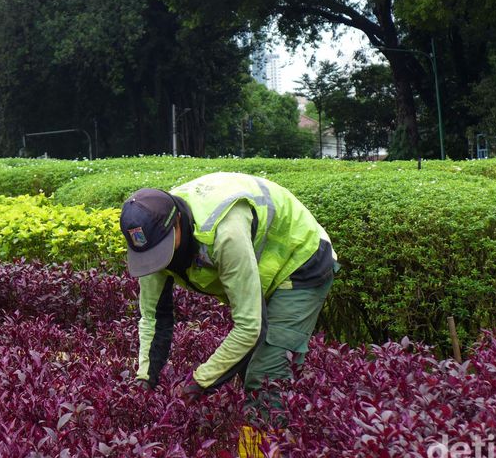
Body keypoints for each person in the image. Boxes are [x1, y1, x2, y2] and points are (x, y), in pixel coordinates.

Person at [119, 171, 338, 426]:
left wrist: (197, 384)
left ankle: (264, 455)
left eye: (163, 249)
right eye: (151, 254)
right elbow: (154, 318)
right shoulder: (151, 242)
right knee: (248, 366)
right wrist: (144, 380)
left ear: (177, 221)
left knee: (266, 377)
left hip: (301, 258)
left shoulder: (224, 233)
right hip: (255, 268)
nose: (158, 259)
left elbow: (249, 329)